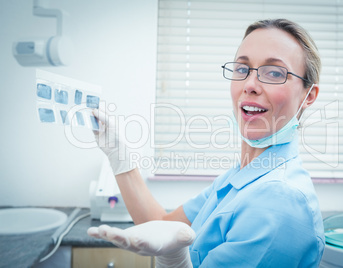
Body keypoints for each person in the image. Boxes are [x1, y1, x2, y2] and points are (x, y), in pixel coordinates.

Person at [88, 18, 325, 267]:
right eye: (242, 69)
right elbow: (161, 223)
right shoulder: (241, 178)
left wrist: (174, 261)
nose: (250, 85)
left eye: (274, 73)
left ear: (309, 95)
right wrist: (119, 155)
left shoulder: (279, 200)